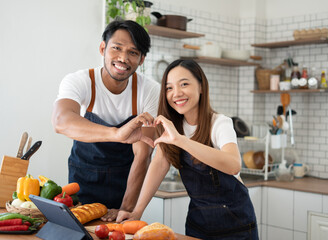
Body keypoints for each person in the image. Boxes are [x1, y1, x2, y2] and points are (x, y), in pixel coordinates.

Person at [117, 59, 259, 239]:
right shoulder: (173, 126)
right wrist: (137, 211)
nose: (176, 93)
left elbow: (233, 164)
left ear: (201, 86)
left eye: (184, 84)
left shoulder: (220, 123)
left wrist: (180, 140)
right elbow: (160, 163)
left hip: (236, 227)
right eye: (169, 88)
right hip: (198, 225)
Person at [51, 20, 160, 221]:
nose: (123, 58)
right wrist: (117, 134)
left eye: (133, 53)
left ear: (142, 59)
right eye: (117, 48)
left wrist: (126, 208)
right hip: (82, 180)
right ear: (103, 48)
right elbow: (61, 121)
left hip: (125, 185)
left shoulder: (150, 90)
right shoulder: (80, 81)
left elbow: (143, 154)